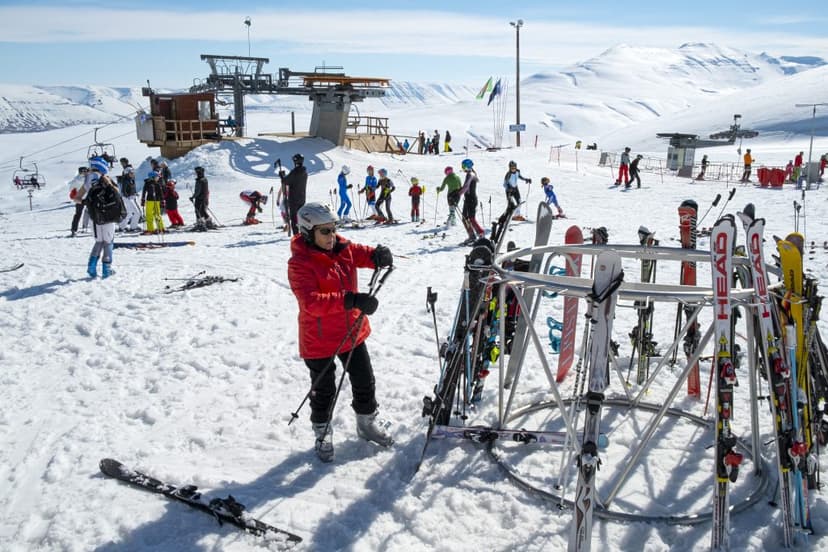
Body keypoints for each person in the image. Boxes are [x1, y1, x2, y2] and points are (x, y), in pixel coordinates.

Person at [287, 202, 395, 462]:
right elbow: (311, 302)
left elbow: (360, 253)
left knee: (364, 379)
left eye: (333, 229)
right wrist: (352, 300)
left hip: (351, 331)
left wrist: (377, 255)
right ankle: (322, 432)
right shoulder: (299, 263)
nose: (331, 236)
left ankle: (366, 423)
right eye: (324, 231)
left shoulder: (342, 248)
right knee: (323, 390)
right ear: (308, 232)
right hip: (319, 338)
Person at [73, 157, 124, 279]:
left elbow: (76, 198)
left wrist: (87, 202)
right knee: (108, 242)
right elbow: (117, 194)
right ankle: (107, 269)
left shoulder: (88, 180)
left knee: (99, 241)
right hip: (108, 215)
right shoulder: (106, 178)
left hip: (94, 216)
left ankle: (91, 268)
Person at [280, 153, 308, 234]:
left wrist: (282, 176)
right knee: (300, 217)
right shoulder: (305, 172)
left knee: (294, 218)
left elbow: (286, 181)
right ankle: (302, 233)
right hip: (302, 198)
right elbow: (293, 180)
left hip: (293, 199)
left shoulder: (295, 172)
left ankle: (296, 235)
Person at [459, 158, 485, 244]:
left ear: (468, 166)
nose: (462, 168)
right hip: (468, 199)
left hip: (471, 199)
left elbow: (466, 186)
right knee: (465, 218)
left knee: (471, 218)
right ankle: (472, 236)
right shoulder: (470, 174)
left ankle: (481, 234)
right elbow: (465, 187)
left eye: (463, 166)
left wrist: (458, 194)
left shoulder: (470, 175)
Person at [117, 158, 142, 232]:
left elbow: (131, 189)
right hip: (128, 198)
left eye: (133, 172)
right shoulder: (126, 180)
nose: (133, 174)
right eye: (131, 173)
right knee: (137, 213)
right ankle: (133, 227)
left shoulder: (131, 180)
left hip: (130, 197)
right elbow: (124, 190)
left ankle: (122, 227)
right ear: (127, 173)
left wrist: (134, 193)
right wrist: (127, 196)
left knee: (129, 213)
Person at [191, 166, 216, 231]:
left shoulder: (199, 180)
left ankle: (200, 224)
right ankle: (208, 222)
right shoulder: (205, 179)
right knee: (202, 211)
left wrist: (193, 197)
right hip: (204, 198)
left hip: (199, 198)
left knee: (198, 211)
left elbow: (198, 191)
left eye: (196, 172)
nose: (196, 173)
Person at [69, 166, 90, 236]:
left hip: (79, 198)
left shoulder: (76, 179)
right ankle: (88, 227)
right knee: (91, 213)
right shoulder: (88, 178)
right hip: (88, 198)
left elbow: (71, 189)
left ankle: (74, 230)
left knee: (77, 214)